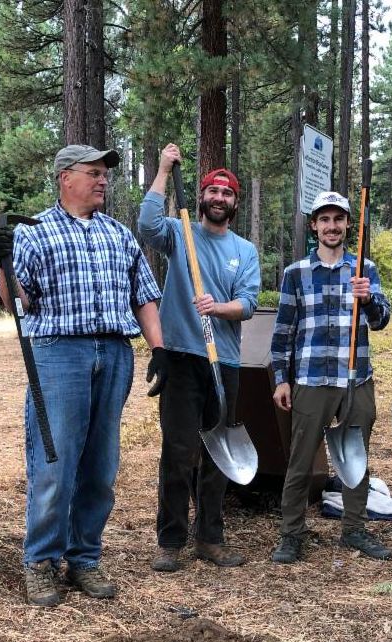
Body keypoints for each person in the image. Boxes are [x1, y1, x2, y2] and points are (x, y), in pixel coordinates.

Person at [0, 144, 169, 606]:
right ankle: (41, 562)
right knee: (55, 463)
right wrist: (3, 262)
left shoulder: (118, 234)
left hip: (113, 353)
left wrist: (159, 349)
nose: (103, 180)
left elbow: (144, 295)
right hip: (57, 353)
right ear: (66, 177)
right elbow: (14, 301)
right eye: (94, 172)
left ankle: (84, 558)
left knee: (100, 466)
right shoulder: (35, 232)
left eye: (105, 173)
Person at [137, 144, 261, 573]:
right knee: (178, 449)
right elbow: (146, 224)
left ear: (235, 203)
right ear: (204, 196)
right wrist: (163, 168)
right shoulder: (180, 232)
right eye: (213, 192)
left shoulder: (243, 250)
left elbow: (247, 303)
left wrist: (217, 307)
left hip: (223, 361)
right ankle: (170, 540)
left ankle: (210, 536)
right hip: (181, 359)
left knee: (216, 454)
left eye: (228, 194)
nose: (219, 199)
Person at [269, 191, 392, 564]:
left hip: (356, 379)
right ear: (314, 226)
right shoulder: (296, 273)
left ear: (348, 225)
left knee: (355, 456)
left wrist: (369, 299)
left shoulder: (364, 270)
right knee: (300, 459)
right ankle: (292, 533)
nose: (332, 226)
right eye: (324, 219)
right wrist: (281, 378)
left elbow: (382, 321)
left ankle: (353, 528)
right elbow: (283, 332)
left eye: (338, 219)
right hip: (310, 378)